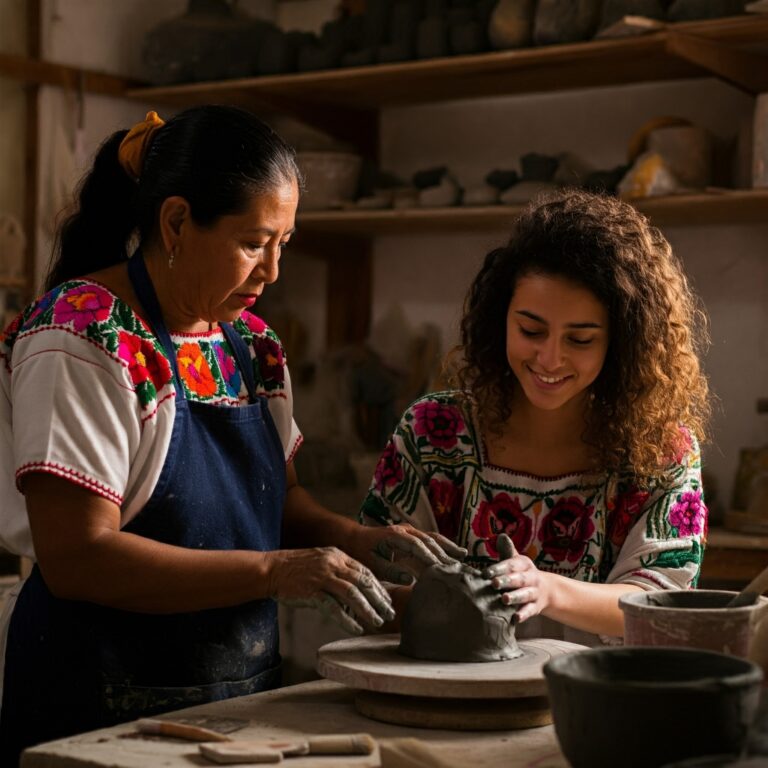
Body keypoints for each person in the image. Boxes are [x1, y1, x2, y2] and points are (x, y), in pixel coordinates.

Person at [0, 105, 463, 763]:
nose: (272, 272)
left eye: (285, 243)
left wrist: (356, 541)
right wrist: (277, 570)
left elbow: (282, 501)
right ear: (177, 223)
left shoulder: (250, 345)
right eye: (253, 243)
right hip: (95, 702)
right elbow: (77, 558)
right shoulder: (81, 334)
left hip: (232, 697)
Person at [361, 188, 711, 644]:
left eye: (580, 340)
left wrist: (546, 589)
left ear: (621, 343)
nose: (549, 358)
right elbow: (377, 585)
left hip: (599, 705)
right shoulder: (433, 433)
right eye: (531, 330)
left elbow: (663, 607)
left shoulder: (663, 451)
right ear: (499, 316)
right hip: (453, 701)